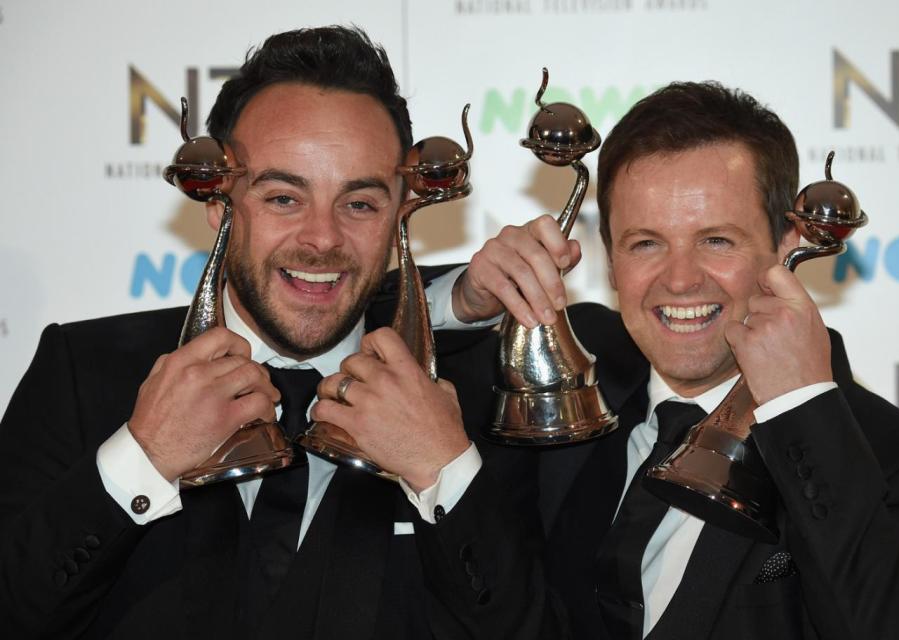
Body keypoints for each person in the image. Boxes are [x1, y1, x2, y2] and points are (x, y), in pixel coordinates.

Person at [0, 26, 545, 640]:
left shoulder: (470, 399)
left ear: (401, 210)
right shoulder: (82, 369)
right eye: (284, 197)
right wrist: (141, 459)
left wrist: (443, 469)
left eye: (360, 204)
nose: (322, 238)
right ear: (216, 199)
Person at [451, 81, 899, 638]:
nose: (679, 279)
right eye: (645, 243)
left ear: (789, 244)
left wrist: (800, 405)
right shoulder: (561, 379)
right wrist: (464, 299)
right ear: (611, 256)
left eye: (717, 240)